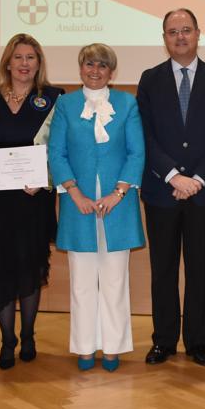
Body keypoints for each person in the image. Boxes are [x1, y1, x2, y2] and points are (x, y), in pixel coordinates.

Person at [137, 9, 205, 367]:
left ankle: (197, 342)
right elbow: (144, 134)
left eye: (186, 30)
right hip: (162, 191)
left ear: (198, 34)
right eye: (172, 31)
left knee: (198, 270)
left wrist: (197, 179)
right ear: (164, 38)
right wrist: (173, 176)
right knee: (162, 270)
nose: (180, 37)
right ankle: (163, 340)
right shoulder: (150, 80)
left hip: (203, 192)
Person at [49, 43, 145, 372]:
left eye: (102, 66)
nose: (95, 70)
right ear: (80, 68)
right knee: (82, 281)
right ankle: (85, 347)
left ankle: (114, 346)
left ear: (112, 72)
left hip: (118, 205)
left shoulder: (127, 103)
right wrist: (74, 194)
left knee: (116, 280)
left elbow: (136, 153)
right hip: (79, 206)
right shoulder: (65, 104)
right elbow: (56, 153)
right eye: (89, 64)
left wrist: (118, 193)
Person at [0, 34, 63, 369]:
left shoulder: (53, 99)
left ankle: (29, 335)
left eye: (31, 58)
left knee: (30, 265)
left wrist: (45, 180)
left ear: (39, 63)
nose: (24, 64)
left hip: (33, 200)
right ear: (7, 62)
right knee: (1, 267)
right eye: (18, 57)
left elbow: (58, 150)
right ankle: (7, 340)